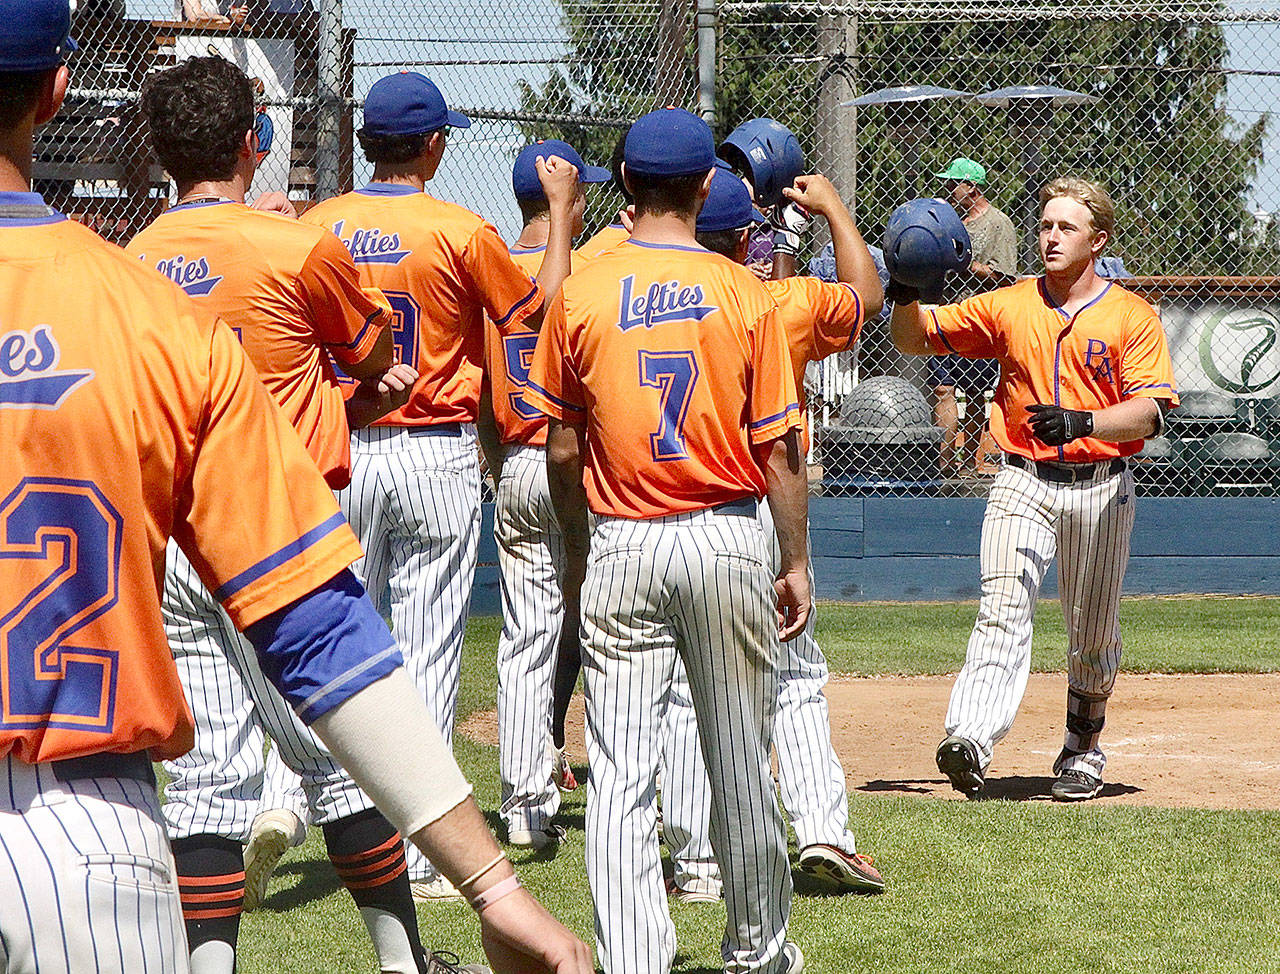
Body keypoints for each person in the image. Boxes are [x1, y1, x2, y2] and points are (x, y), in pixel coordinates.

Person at [0, 6, 593, 974]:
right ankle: (402, 947)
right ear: (55, 92)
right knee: (351, 731)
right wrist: (496, 884)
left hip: (225, 537)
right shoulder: (143, 305)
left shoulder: (156, 258)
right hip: (80, 812)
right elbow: (319, 620)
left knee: (210, 779)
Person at [125, 55, 445, 974]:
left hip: (173, 540)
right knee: (340, 755)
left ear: (158, 151)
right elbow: (378, 356)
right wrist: (345, 403)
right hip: (274, 531)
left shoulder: (131, 259)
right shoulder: (299, 245)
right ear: (252, 142)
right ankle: (400, 961)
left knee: (208, 778)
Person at [525, 106, 809, 974]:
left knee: (619, 772)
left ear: (624, 185)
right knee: (735, 758)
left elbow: (563, 444)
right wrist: (795, 559)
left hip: (622, 540)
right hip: (725, 535)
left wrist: (578, 549)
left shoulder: (580, 291)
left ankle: (636, 958)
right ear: (703, 187)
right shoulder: (744, 292)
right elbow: (779, 449)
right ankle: (757, 952)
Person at [299, 71, 578, 900]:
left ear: (362, 143)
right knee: (425, 656)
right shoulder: (461, 228)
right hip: (436, 450)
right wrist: (561, 217)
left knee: (337, 645)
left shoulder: (321, 225)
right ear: (432, 145)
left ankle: (333, 816)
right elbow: (541, 314)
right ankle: (417, 854)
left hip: (344, 442)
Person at [888, 176, 1179, 802]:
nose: (1050, 236)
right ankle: (970, 736)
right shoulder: (1012, 303)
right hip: (1021, 480)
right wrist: (906, 289)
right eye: (1045, 225)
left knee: (1093, 628)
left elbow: (1152, 412)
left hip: (1101, 487)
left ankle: (1082, 746)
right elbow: (912, 337)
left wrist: (1086, 422)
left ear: (1097, 241)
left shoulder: (1132, 315)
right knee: (1001, 608)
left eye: (1066, 227)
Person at [660, 166, 885, 902]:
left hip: (659, 505)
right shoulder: (776, 302)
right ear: (746, 239)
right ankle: (822, 831)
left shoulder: (633, 292)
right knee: (792, 675)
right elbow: (866, 298)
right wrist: (831, 211)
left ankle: (695, 862)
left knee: (685, 686)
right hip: (751, 504)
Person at [476, 138, 611, 849]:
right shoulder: (587, 270)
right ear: (570, 199)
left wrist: (497, 463)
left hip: (515, 464)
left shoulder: (492, 267)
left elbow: (476, 390)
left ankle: (525, 803)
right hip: (575, 466)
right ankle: (627, 788)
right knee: (606, 629)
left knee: (525, 636)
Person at [930, 157, 1019, 476]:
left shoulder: (998, 223)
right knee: (943, 388)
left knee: (975, 392)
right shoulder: (951, 221)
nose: (949, 188)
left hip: (979, 318)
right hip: (947, 313)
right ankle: (942, 463)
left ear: (972, 186)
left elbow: (1006, 274)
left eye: (955, 183)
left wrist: (967, 265)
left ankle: (969, 462)